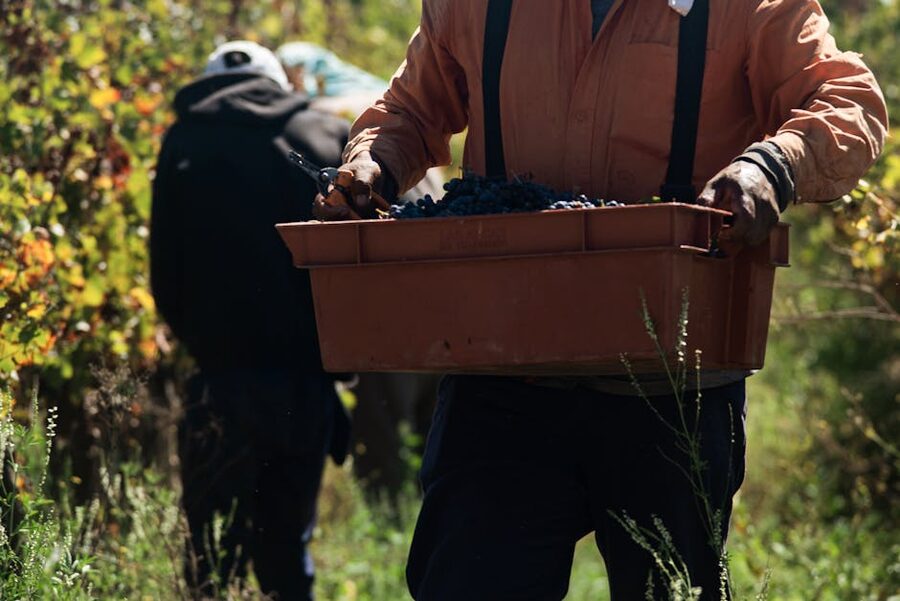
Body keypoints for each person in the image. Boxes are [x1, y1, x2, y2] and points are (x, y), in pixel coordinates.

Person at [316, 1, 888, 599]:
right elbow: (410, 110)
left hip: (673, 388)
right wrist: (371, 164)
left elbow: (852, 103)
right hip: (502, 374)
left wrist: (773, 165)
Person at [150, 40, 352, 600]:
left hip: (219, 383)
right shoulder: (323, 137)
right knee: (287, 553)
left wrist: (207, 344)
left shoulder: (182, 141)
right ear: (276, 83)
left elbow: (165, 275)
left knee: (211, 562)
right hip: (305, 387)